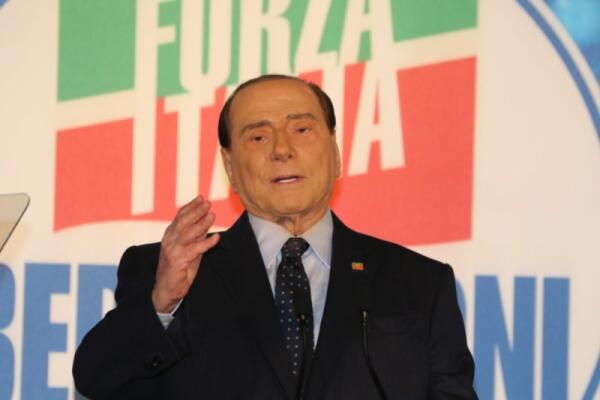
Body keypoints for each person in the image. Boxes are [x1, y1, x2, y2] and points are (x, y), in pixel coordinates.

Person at [73, 75, 477, 399]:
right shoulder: (167, 274)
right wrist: (162, 303)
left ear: (335, 154)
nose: (282, 149)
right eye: (258, 137)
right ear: (230, 168)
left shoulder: (419, 283)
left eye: (302, 129)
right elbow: (97, 380)